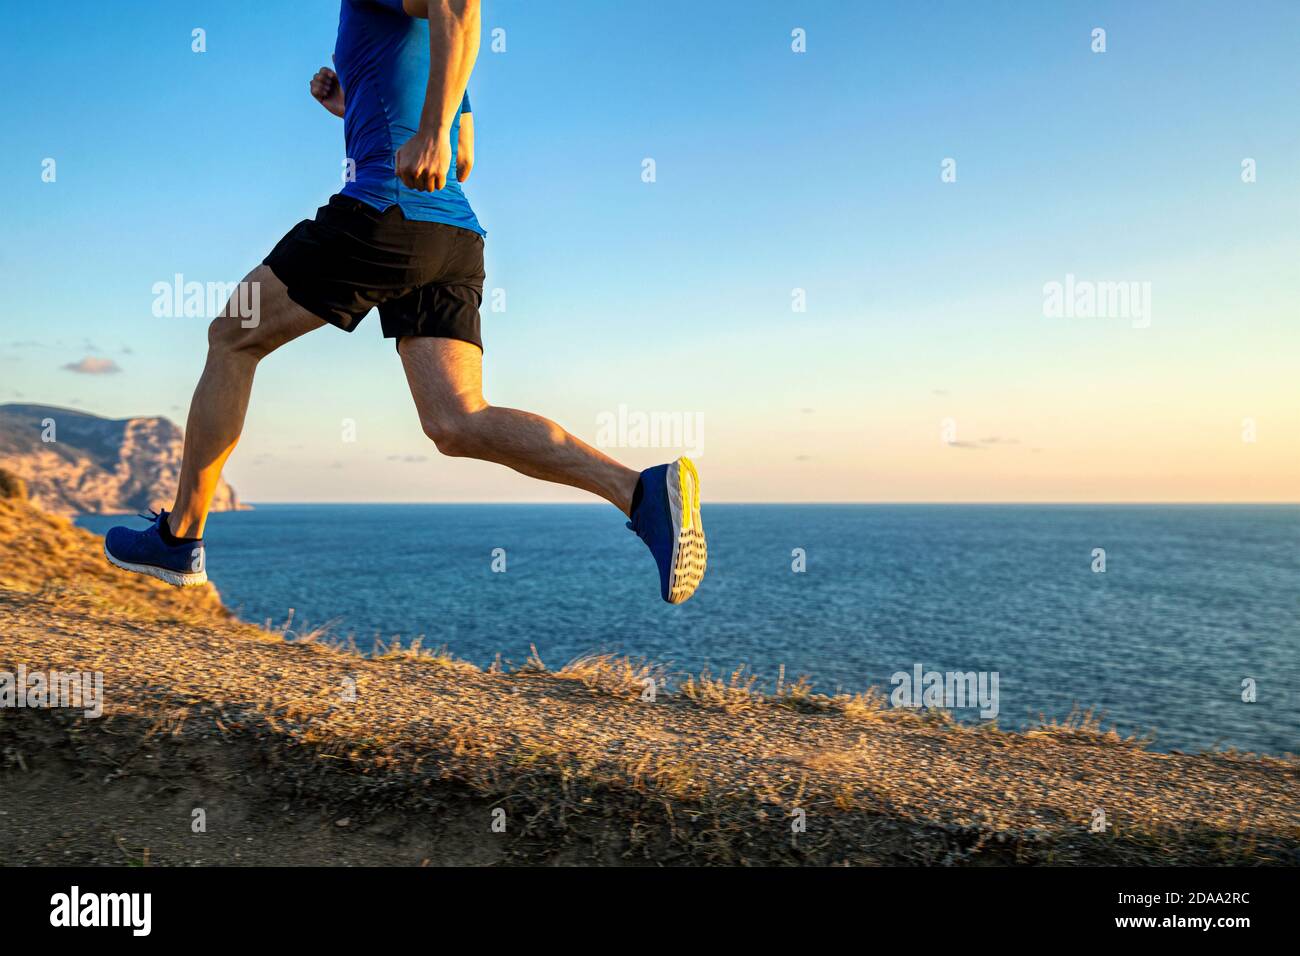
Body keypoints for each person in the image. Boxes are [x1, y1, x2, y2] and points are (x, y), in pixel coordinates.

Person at [104, 0, 706, 604]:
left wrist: (432, 131)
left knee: (233, 336)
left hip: (383, 212)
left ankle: (179, 538)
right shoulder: (426, 48)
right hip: (453, 237)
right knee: (456, 420)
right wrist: (358, 104)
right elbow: (463, 159)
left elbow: (461, 6)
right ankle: (641, 492)